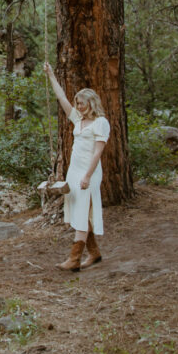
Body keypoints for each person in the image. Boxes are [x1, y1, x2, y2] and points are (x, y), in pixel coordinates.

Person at [43, 62, 110, 271]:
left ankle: (74, 260)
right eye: (78, 103)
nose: (79, 106)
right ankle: (94, 253)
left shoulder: (101, 122)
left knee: (82, 211)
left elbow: (98, 152)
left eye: (82, 103)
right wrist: (51, 75)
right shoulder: (77, 119)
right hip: (74, 171)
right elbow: (61, 98)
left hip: (89, 172)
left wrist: (88, 176)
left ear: (92, 102)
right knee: (78, 211)